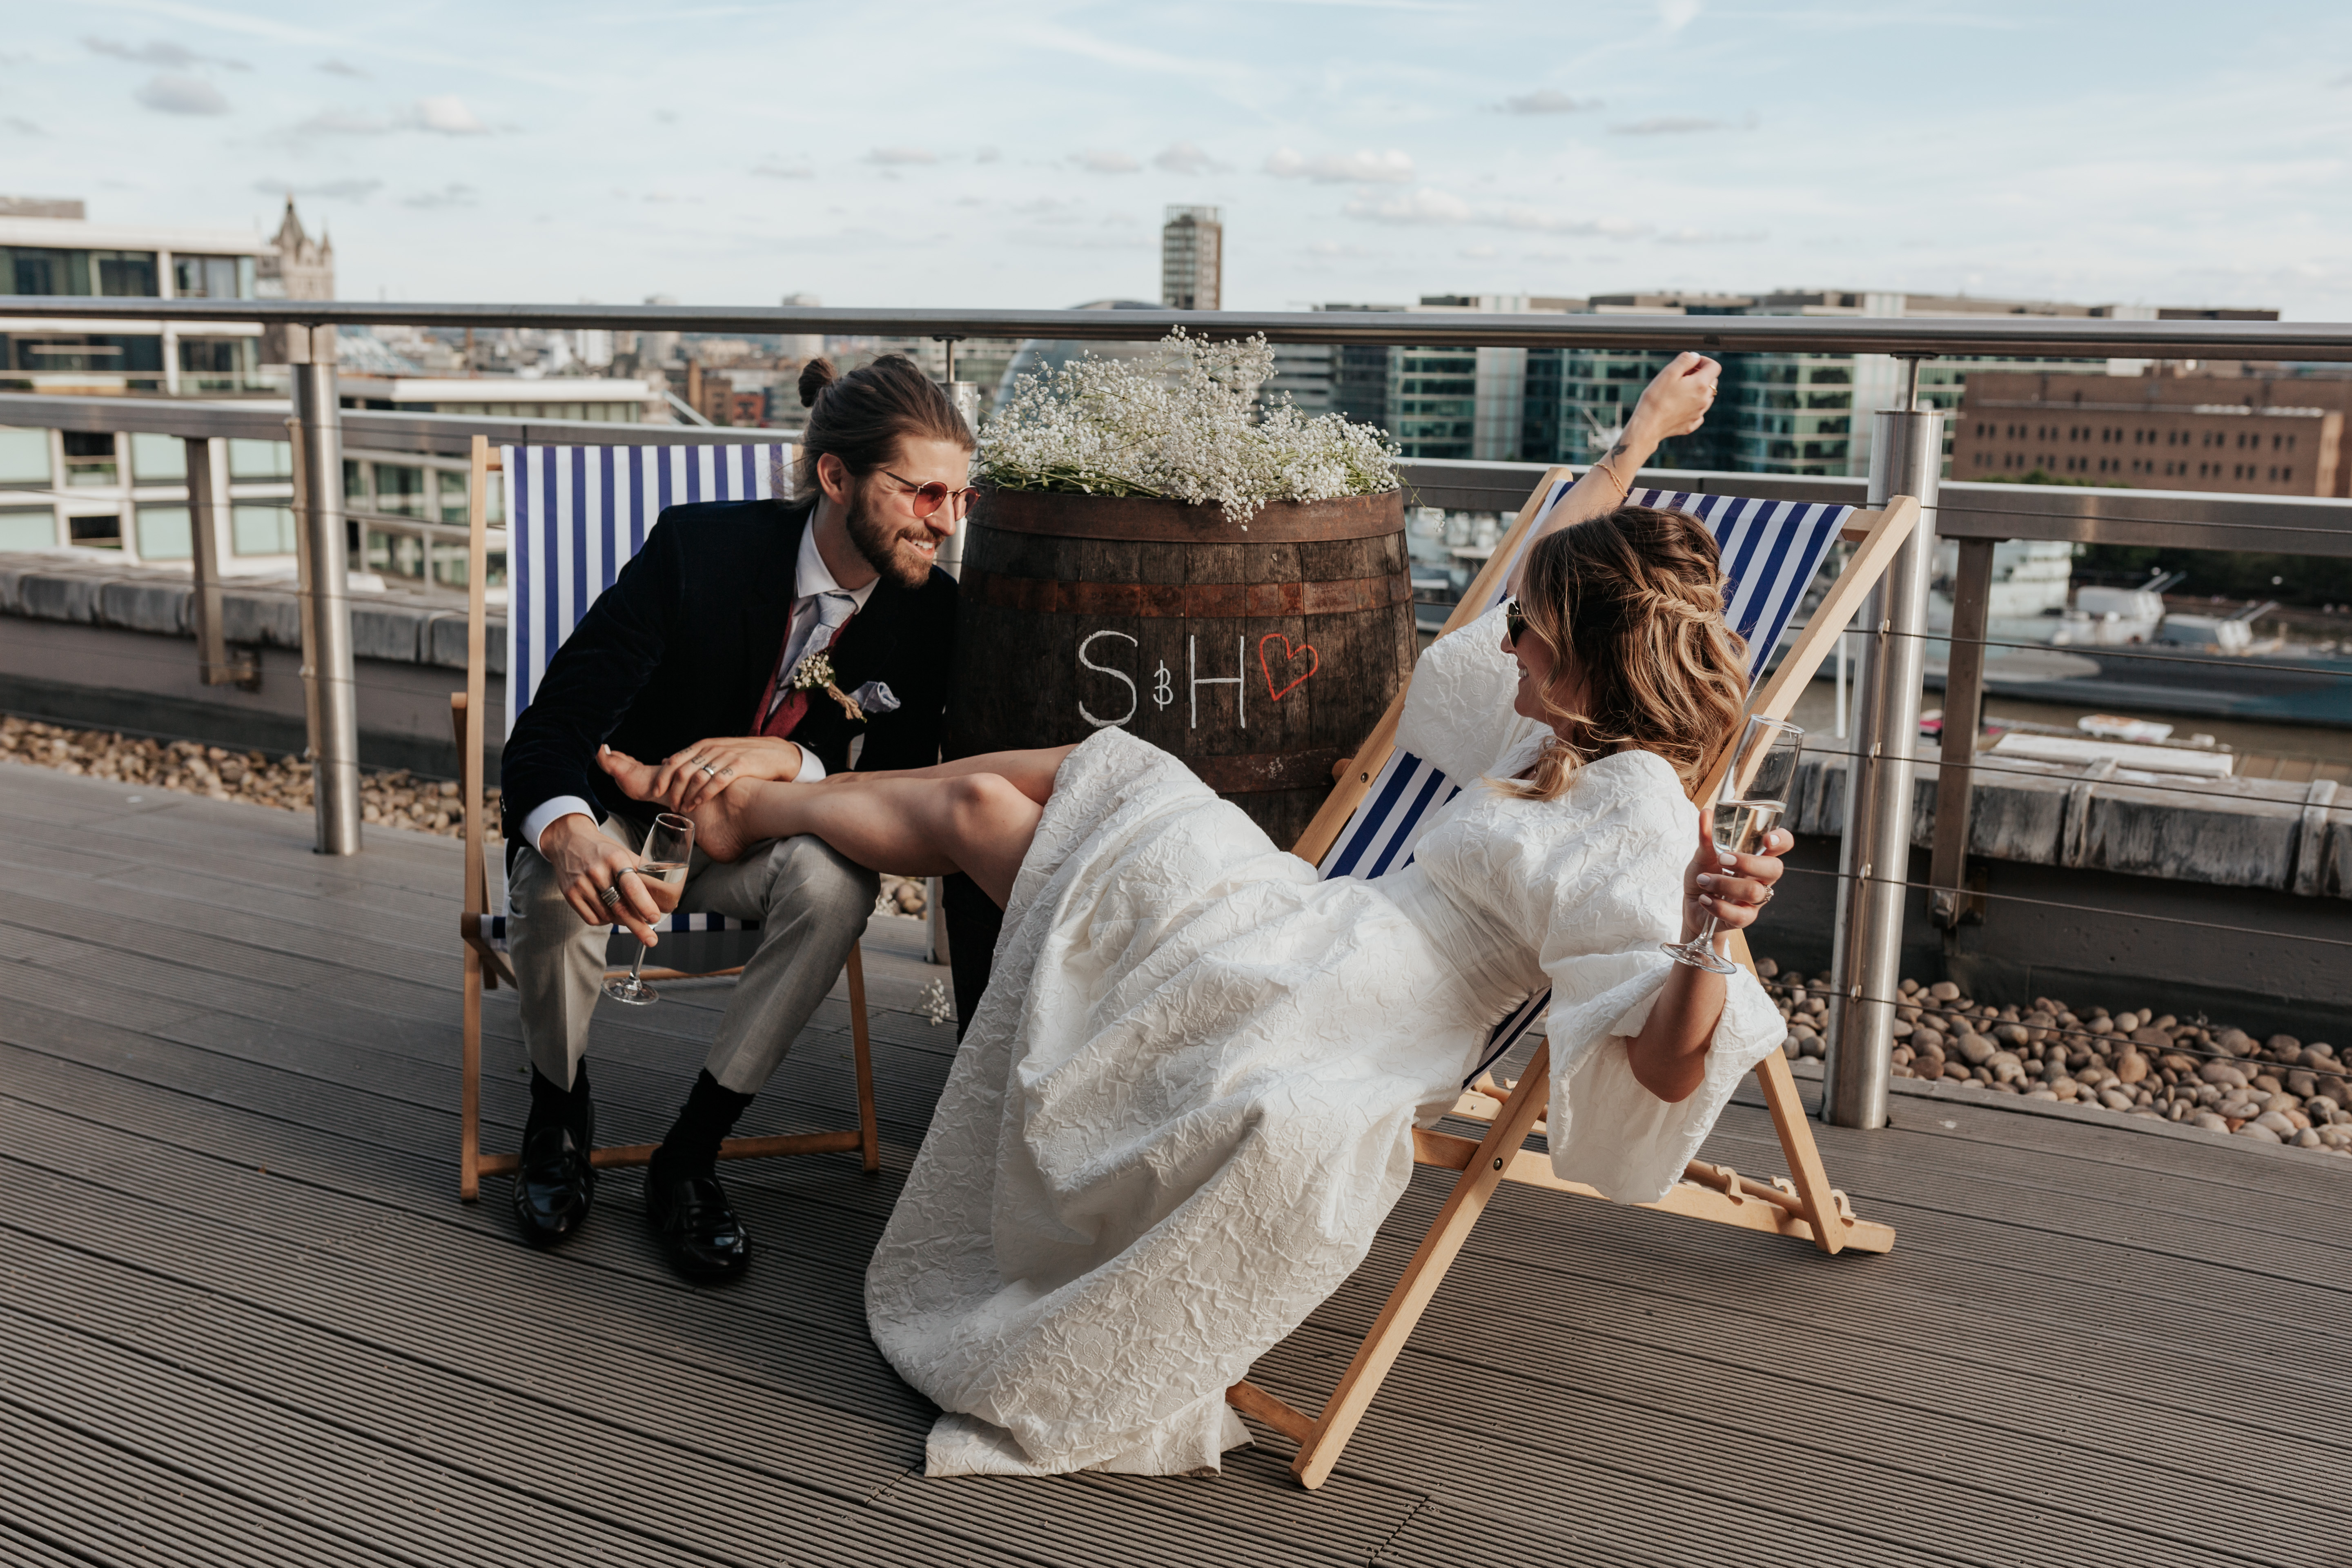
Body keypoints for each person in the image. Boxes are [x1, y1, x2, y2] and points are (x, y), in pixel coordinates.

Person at [599, 354, 1792, 1476]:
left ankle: (758, 804)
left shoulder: (1641, 817)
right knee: (1105, 767)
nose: (1510, 640)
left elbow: (1668, 1069)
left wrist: (1703, 933)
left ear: (1584, 659)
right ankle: (770, 801)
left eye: (1532, 630)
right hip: (1314, 922)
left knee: (979, 807)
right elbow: (1545, 578)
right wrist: (1637, 442)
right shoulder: (1555, 733)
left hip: (1339, 1008)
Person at [496, 354, 968, 1279]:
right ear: (836, 477)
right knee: (555, 883)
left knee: (838, 885)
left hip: (760, 841)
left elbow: (908, 778)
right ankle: (557, 1111)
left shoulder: (933, 612)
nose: (946, 524)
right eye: (922, 495)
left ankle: (692, 1155)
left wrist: (790, 759)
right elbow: (548, 733)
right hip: (630, 819)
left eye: (961, 497)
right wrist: (571, 829)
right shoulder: (696, 551)